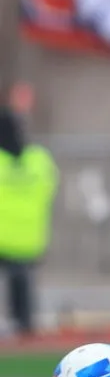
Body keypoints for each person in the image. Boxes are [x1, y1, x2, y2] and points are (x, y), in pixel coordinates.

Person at [0, 82, 59, 339]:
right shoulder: (39, 160)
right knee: (23, 296)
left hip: (4, 239)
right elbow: (50, 187)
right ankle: (24, 330)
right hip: (30, 240)